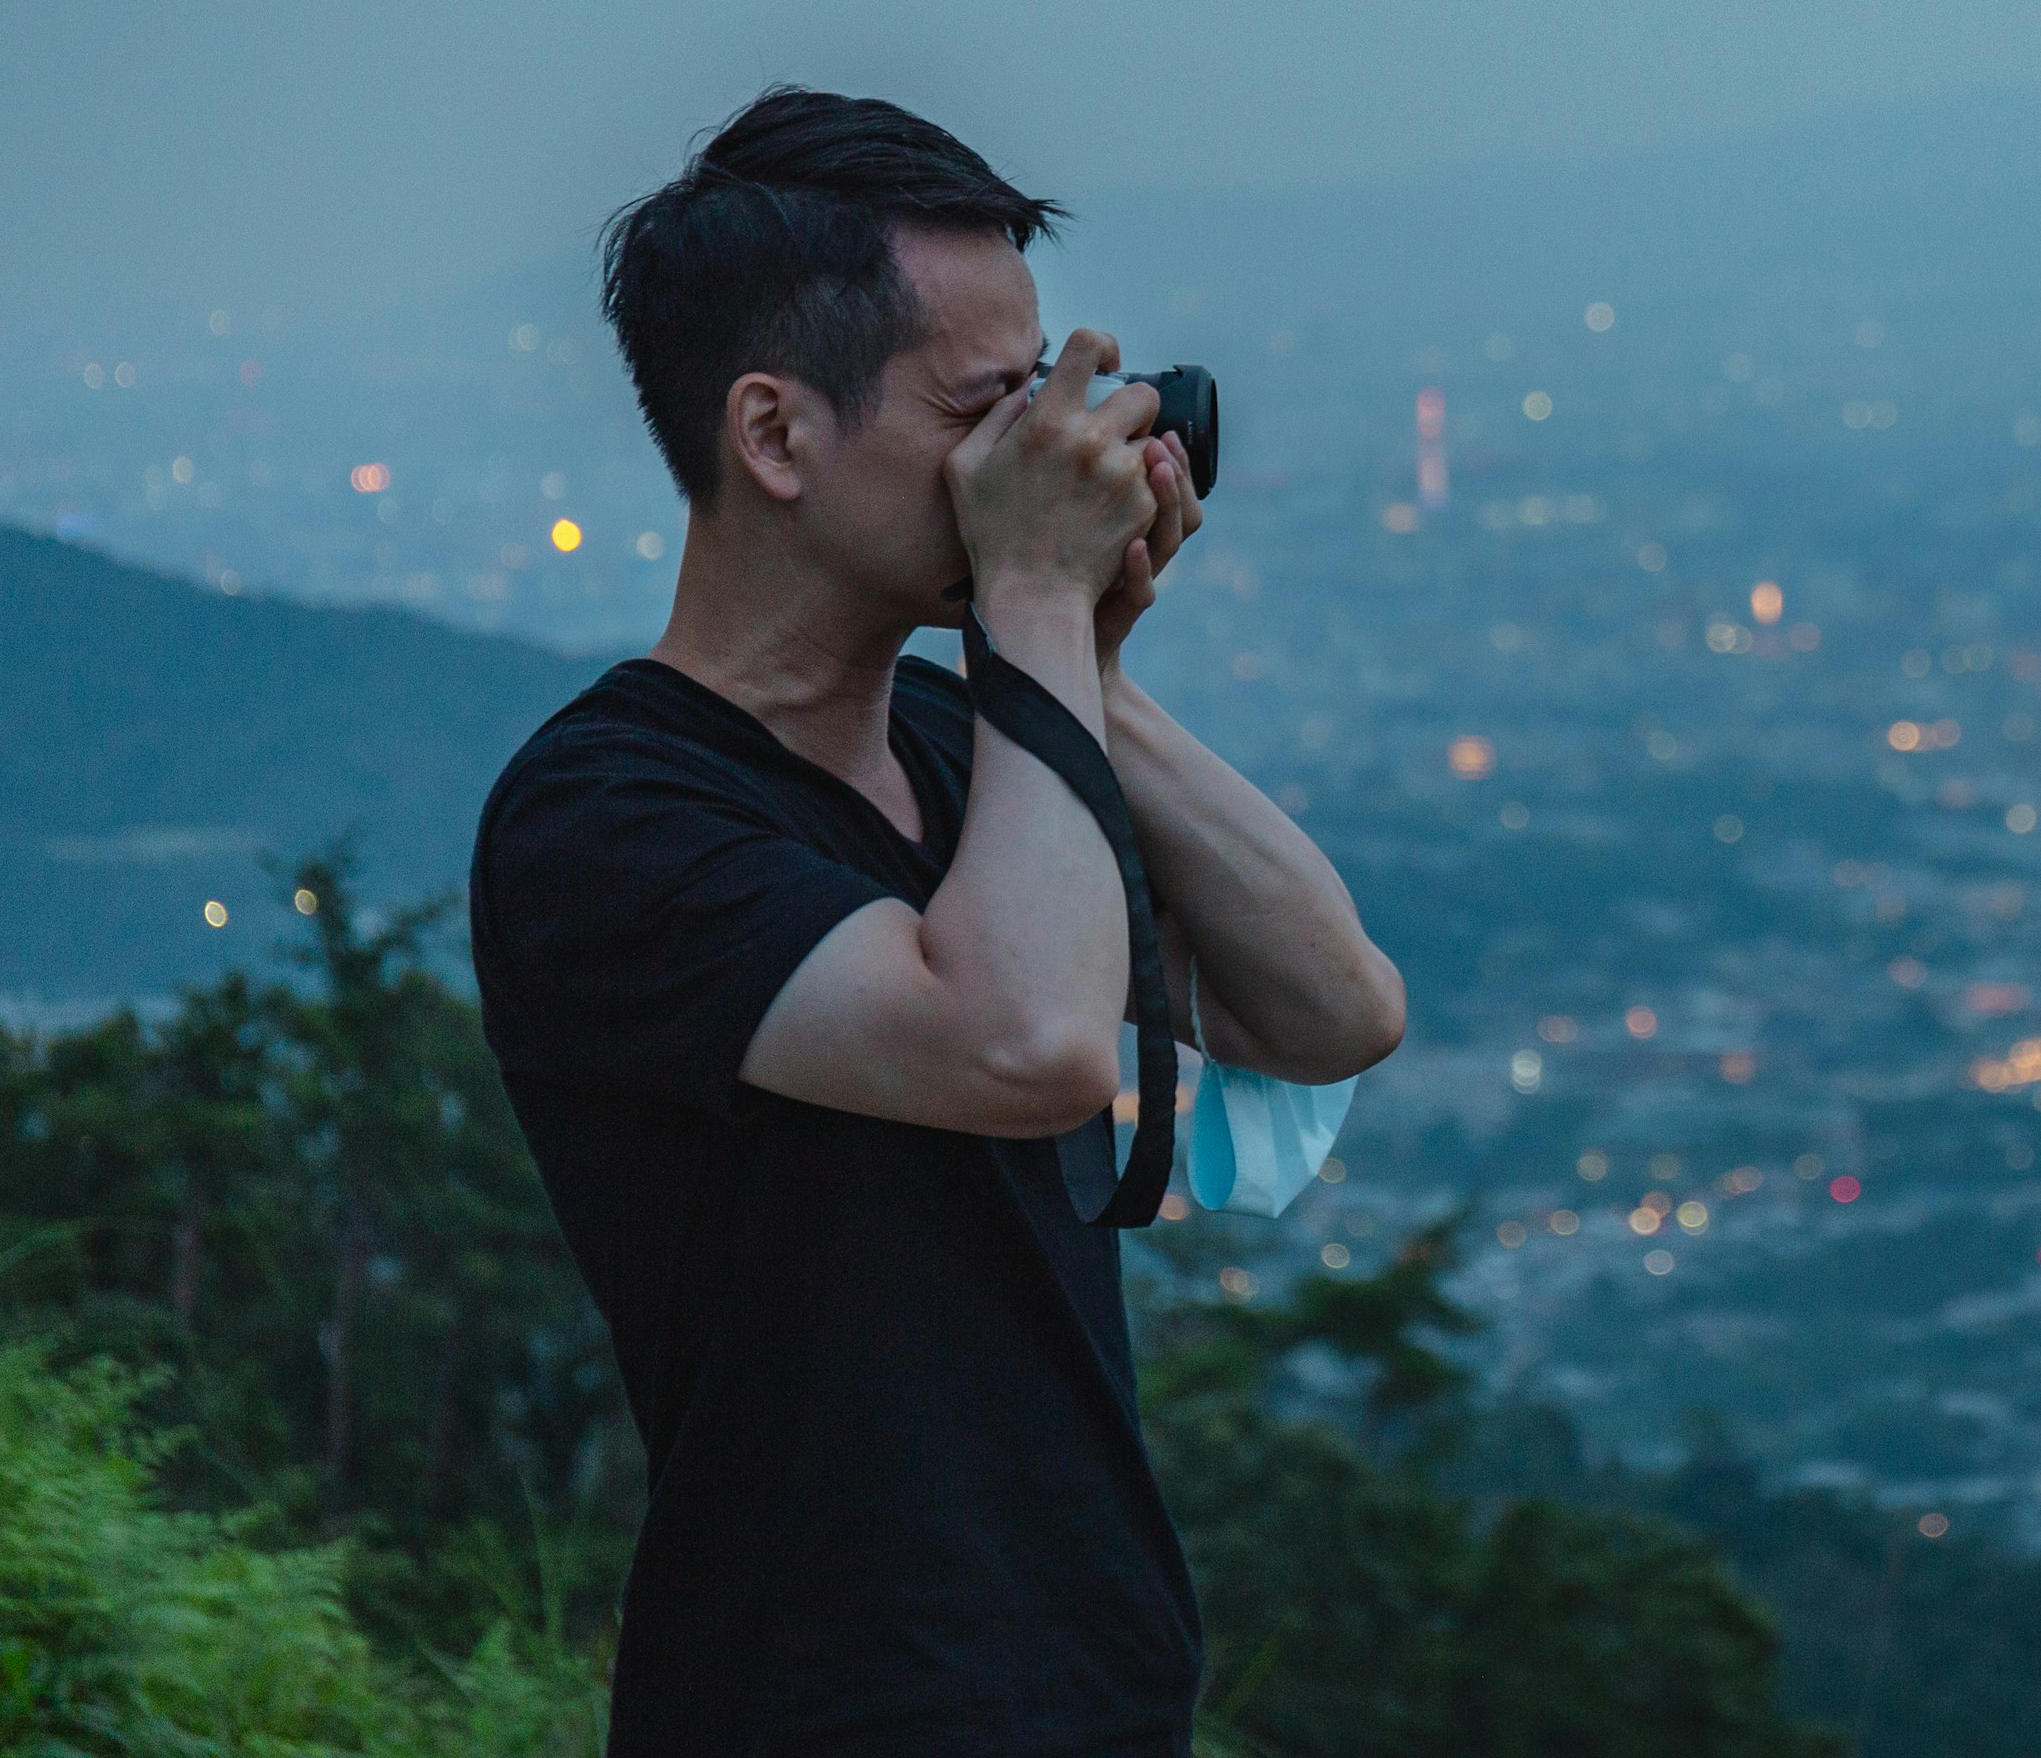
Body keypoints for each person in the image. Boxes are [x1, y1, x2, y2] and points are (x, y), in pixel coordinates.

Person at [470, 86, 1405, 1755]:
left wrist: (1089, 668)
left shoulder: (973, 745)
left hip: (1097, 1680)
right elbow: (1029, 1042)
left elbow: (1329, 1009)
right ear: (775, 436)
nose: (1045, 453)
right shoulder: (604, 821)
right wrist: (1032, 600)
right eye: (990, 408)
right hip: (816, 1708)